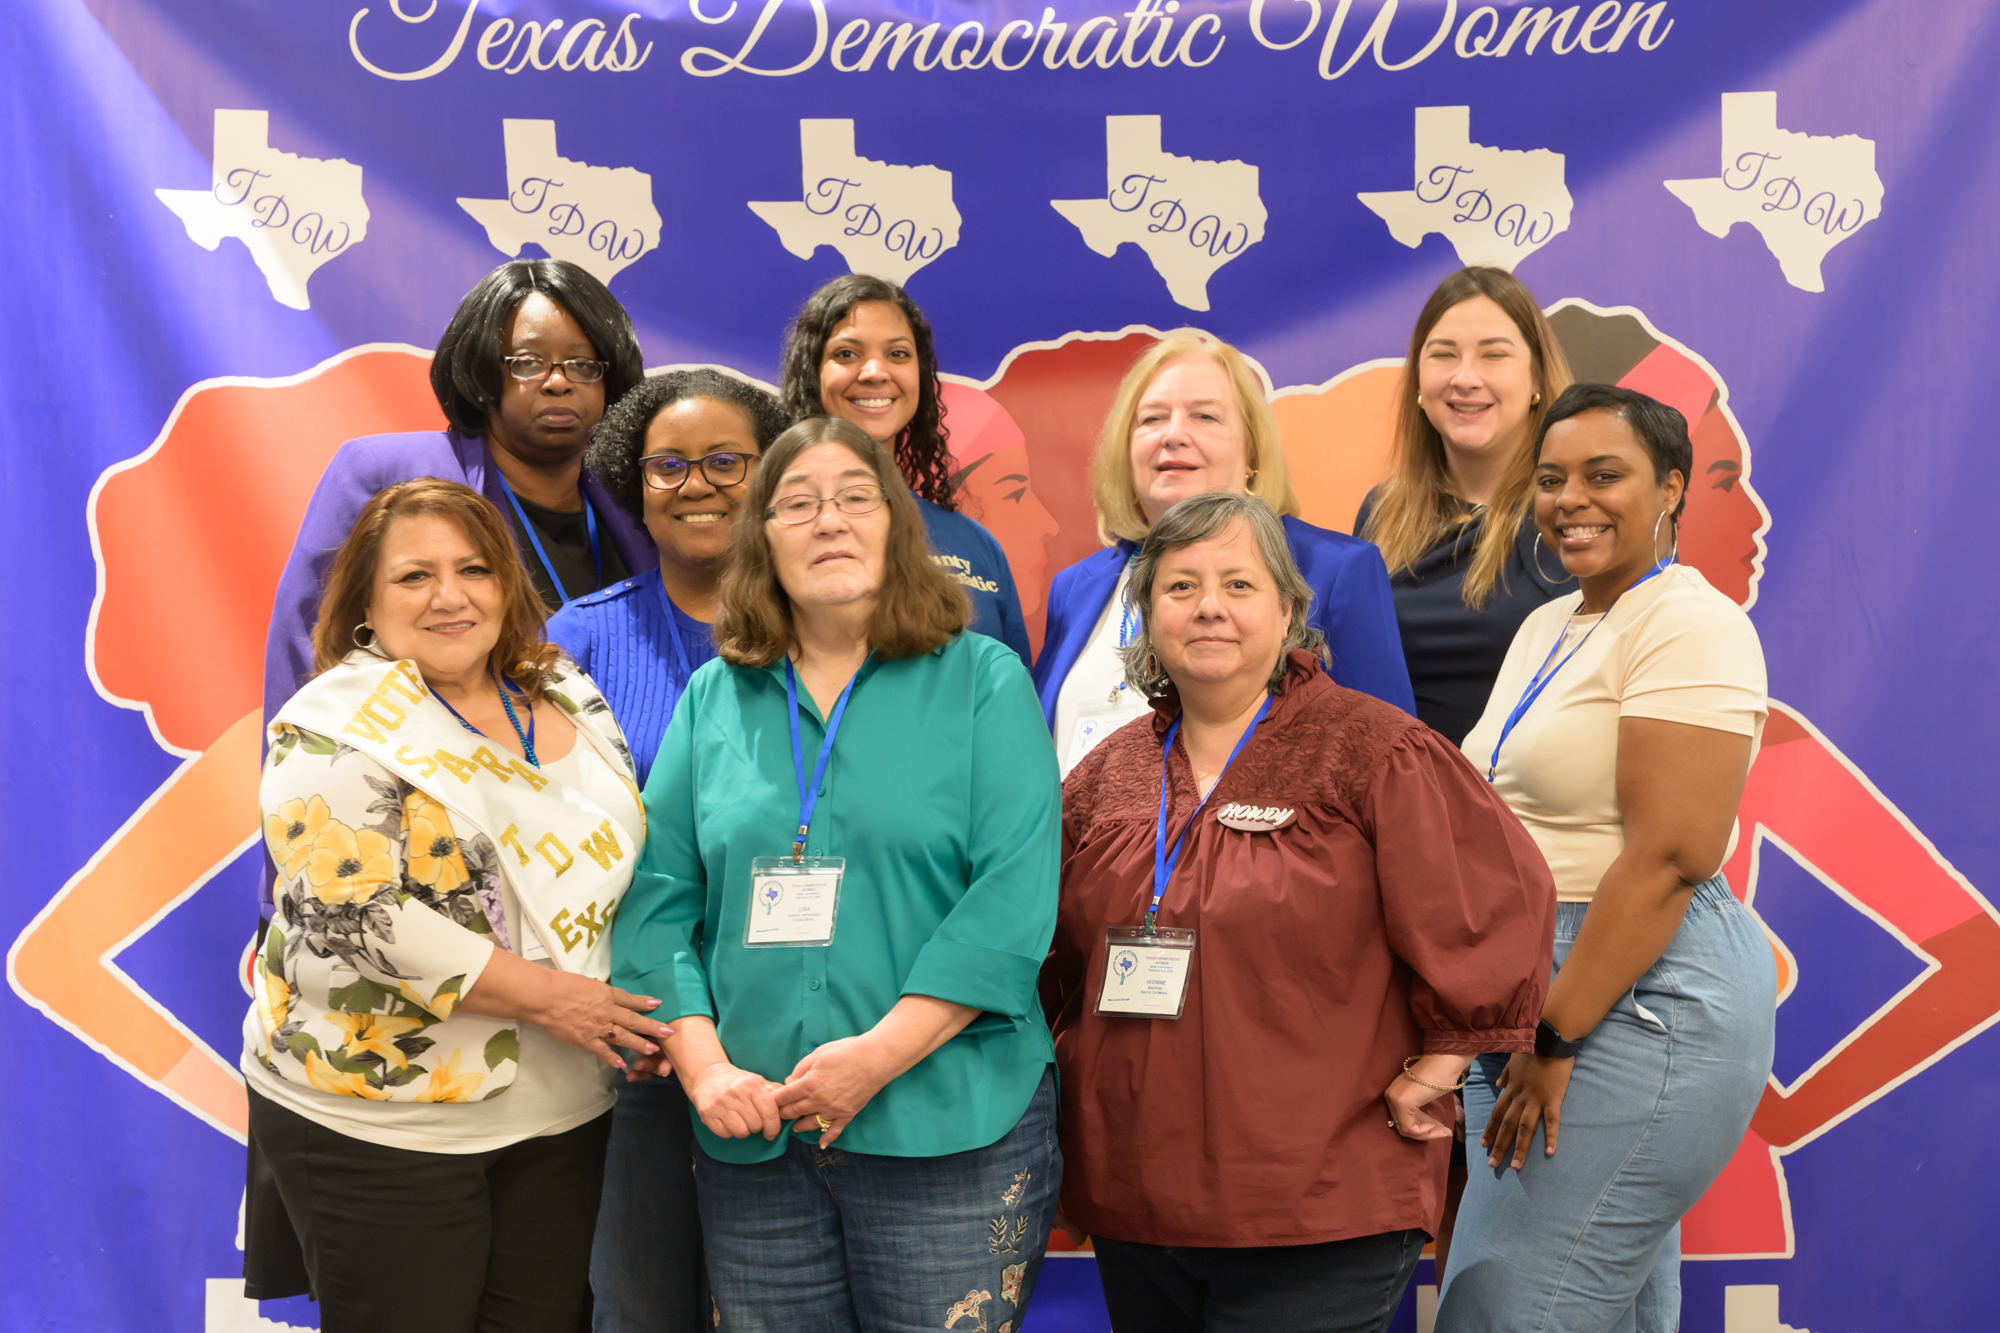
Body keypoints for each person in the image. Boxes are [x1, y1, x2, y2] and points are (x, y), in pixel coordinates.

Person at [1044, 491, 1554, 1333]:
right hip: (1139, 1201)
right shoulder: (1106, 774)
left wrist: (1441, 1065)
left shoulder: (1372, 748)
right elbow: (1049, 959)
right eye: (1180, 587)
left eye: (1239, 585)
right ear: (1146, 615)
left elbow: (1492, 901)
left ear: (1288, 612)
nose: (1209, 606)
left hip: (1318, 1203)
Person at [612, 417, 1062, 1333]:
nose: (830, 522)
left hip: (948, 1124)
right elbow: (657, 902)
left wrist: (876, 1057)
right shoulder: (715, 696)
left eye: (856, 499)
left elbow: (1011, 898)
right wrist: (704, 1072)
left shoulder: (983, 679)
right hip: (755, 1134)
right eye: (798, 504)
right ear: (762, 539)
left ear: (897, 527)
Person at [241, 479, 675, 1332]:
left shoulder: (567, 691)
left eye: (474, 568)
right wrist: (566, 1002)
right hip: (385, 1125)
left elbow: (629, 856)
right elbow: (358, 914)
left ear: (507, 582)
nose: (449, 595)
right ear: (366, 597)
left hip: (565, 1109)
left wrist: (636, 1011)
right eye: (413, 576)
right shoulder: (334, 724)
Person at [1439, 385, 1778, 1332]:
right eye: (1550, 479)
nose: (1569, 499)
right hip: (1541, 981)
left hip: (1633, 991)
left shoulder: (1687, 621)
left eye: (1603, 475)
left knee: (1501, 1310)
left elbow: (1669, 856)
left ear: (1670, 488)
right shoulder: (1550, 624)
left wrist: (1553, 1037)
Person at [543, 368, 785, 1332]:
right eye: (669, 466)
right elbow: (538, 842)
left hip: (788, 1037)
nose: (698, 484)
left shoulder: (827, 637)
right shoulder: (579, 640)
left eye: (728, 461)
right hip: (635, 1043)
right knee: (642, 1310)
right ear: (633, 483)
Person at [265, 259, 654, 731]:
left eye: (583, 364)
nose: (558, 381)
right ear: (483, 373)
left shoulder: (639, 502)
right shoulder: (385, 473)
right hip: (428, 782)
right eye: (529, 362)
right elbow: (309, 647)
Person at [1034, 330, 1413, 776]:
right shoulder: (1074, 589)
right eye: (1152, 419)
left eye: (1205, 417)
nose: (1173, 436)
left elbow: (1390, 763)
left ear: (1252, 450)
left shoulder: (1336, 570)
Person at [1357, 266, 1575, 747]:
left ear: (1536, 376)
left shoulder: (1581, 512)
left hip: (1532, 811)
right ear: (1418, 378)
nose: (1465, 378)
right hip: (1401, 804)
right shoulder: (1381, 511)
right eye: (1443, 355)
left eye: (1494, 355)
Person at [778, 273, 1033, 665]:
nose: (875, 372)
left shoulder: (974, 544)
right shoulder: (776, 533)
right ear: (812, 372)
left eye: (898, 354)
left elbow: (1015, 697)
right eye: (847, 354)